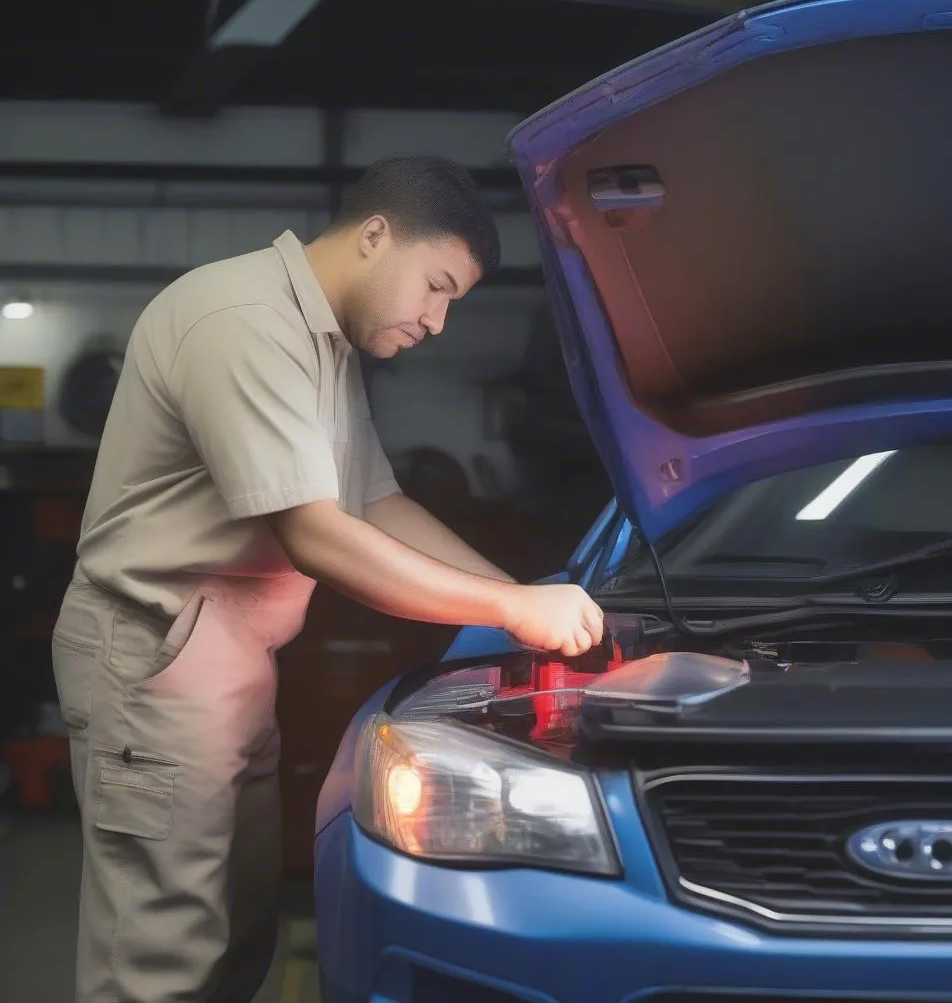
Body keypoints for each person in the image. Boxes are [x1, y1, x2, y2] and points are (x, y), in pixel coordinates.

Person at [50, 155, 604, 1002]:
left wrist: (516, 608)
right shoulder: (241, 319)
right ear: (376, 237)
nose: (439, 322)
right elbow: (317, 535)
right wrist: (513, 607)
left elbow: (376, 503)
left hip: (223, 655)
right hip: (154, 658)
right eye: (437, 287)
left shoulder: (323, 345)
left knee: (235, 939)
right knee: (162, 963)